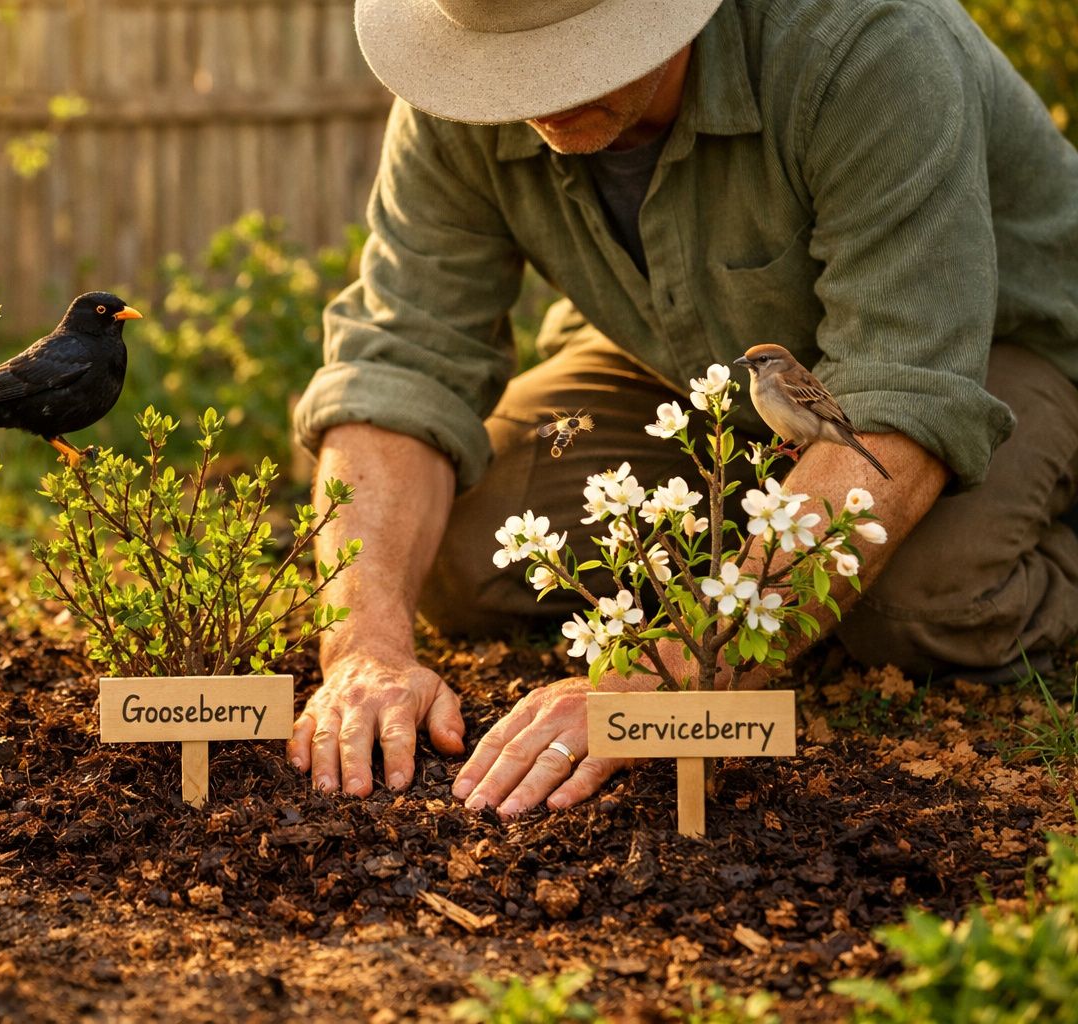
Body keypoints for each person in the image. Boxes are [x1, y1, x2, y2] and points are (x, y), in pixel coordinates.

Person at [287, 0, 1078, 816]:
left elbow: (898, 393)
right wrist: (364, 652)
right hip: (683, 363)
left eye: (576, 53)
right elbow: (403, 358)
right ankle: (771, 534)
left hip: (994, 349)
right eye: (515, 61)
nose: (539, 90)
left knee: (911, 599)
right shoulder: (464, 76)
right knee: (470, 543)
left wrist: (659, 675)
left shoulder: (866, 46)